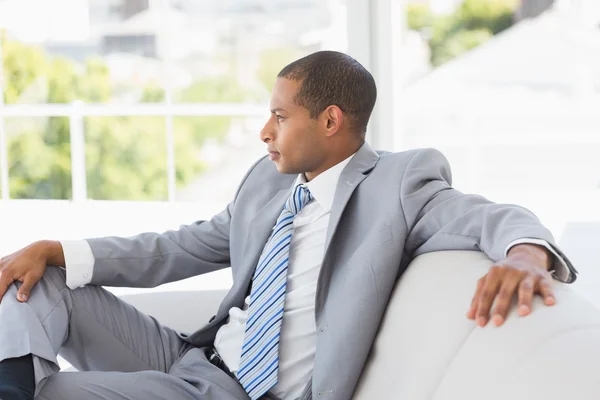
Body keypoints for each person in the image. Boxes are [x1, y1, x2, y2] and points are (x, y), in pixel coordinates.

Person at [0, 51, 576, 400]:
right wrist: (56, 247)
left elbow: (491, 216)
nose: (265, 132)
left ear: (331, 120)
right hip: (190, 358)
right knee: (43, 277)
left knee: (44, 393)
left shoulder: (399, 184)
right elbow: (185, 245)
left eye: (280, 116)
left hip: (239, 394)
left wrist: (524, 256)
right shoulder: (269, 181)